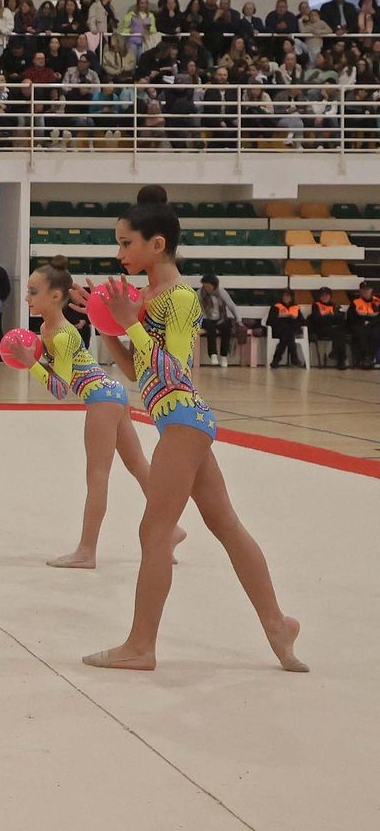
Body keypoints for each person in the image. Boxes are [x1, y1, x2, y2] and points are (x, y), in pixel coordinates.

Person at [74, 186, 304, 673]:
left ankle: (141, 646)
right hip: (181, 420)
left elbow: (175, 368)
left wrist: (128, 324)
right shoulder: (147, 298)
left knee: (154, 530)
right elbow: (137, 371)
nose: (120, 253)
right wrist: (108, 325)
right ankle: (278, 624)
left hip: (183, 418)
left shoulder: (180, 297)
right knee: (225, 524)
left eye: (126, 243)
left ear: (157, 244)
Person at [21, 258, 184, 569]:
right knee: (137, 464)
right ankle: (172, 528)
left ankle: (87, 550)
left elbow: (60, 389)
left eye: (33, 291)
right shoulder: (46, 328)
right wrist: (36, 361)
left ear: (55, 296)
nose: (27, 297)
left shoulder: (62, 334)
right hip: (112, 392)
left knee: (97, 476)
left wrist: (30, 363)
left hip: (101, 397)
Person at [198, 274, 240, 367]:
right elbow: (198, 309)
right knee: (210, 328)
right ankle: (213, 355)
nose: (206, 288)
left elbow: (231, 305)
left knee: (227, 327)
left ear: (214, 285)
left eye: (208, 286)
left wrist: (238, 319)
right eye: (204, 286)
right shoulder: (200, 293)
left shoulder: (221, 292)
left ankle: (224, 355)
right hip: (206, 318)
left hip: (220, 318)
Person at [267, 288, 304, 368]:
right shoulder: (276, 307)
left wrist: (293, 318)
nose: (286, 298)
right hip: (279, 330)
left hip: (292, 330)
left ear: (291, 297)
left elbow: (302, 321)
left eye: (288, 296)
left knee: (287, 334)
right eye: (284, 296)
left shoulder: (295, 307)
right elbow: (270, 321)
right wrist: (281, 317)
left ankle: (276, 360)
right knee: (288, 334)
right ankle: (294, 357)